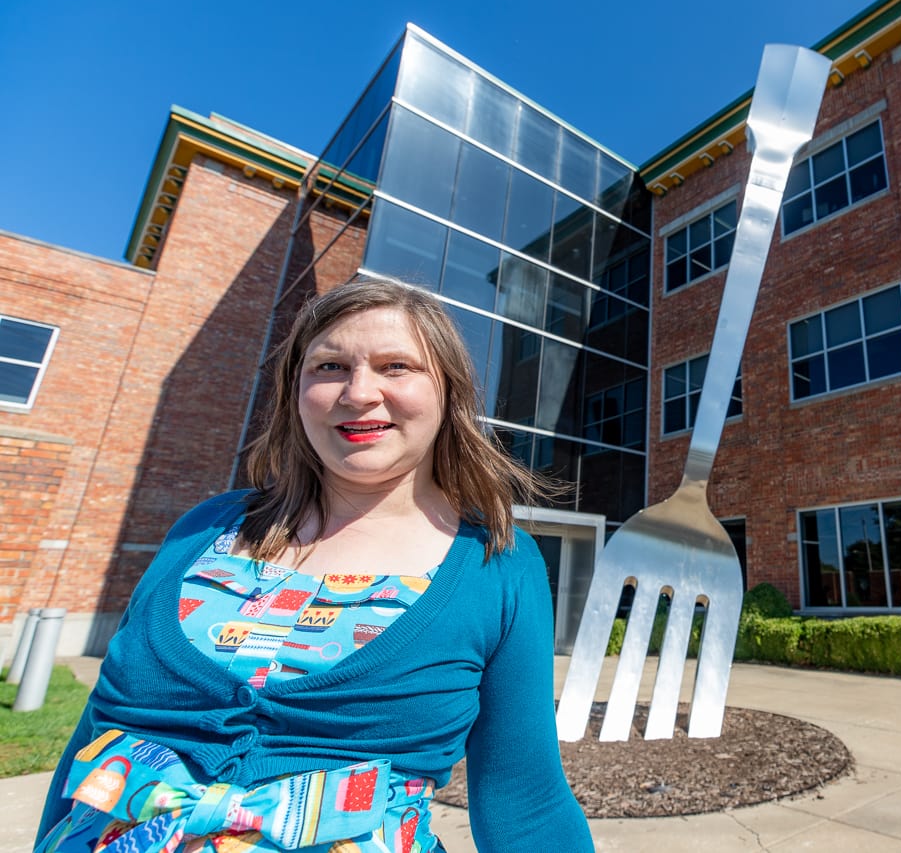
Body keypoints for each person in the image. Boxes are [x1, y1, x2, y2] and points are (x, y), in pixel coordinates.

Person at [34, 277, 594, 853]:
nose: (359, 392)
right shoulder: (202, 529)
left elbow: (525, 800)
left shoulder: (497, 563)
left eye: (396, 366)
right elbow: (92, 741)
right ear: (295, 392)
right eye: (329, 367)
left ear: (449, 393)